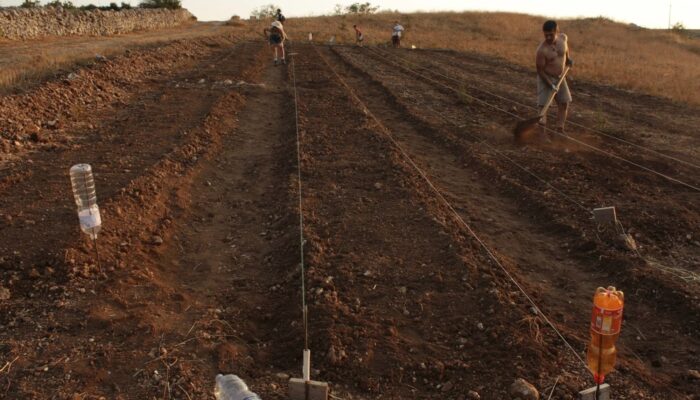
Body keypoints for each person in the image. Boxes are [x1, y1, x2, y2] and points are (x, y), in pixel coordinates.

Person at [536, 20, 574, 136]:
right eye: (545, 34)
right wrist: (551, 85)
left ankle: (559, 130)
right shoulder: (541, 50)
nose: (548, 37)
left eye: (550, 34)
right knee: (544, 107)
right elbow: (540, 71)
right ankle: (541, 134)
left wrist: (568, 59)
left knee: (564, 103)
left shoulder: (563, 38)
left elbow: (565, 50)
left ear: (556, 31)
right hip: (546, 77)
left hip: (560, 77)